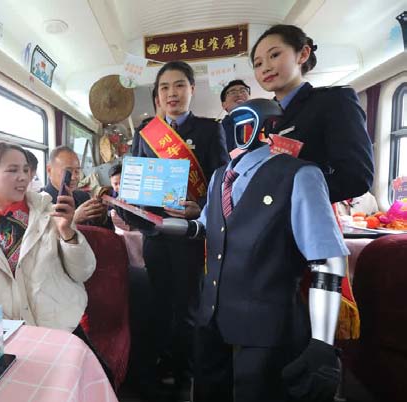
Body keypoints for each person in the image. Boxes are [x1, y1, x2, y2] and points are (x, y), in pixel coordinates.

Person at [153, 98, 348, 402]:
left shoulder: (300, 175)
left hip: (267, 324)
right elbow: (206, 227)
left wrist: (322, 343)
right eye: (231, 122)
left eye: (244, 122)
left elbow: (326, 260)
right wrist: (156, 224)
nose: (235, 129)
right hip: (212, 316)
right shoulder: (220, 176)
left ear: (269, 126)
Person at [0, 142, 111, 381]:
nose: (23, 177)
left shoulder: (49, 211)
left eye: (26, 170)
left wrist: (67, 231)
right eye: (12, 170)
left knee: (94, 382)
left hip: (63, 324)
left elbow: (83, 272)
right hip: (11, 337)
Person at [127, 60, 229, 400]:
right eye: (165, 87)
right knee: (159, 304)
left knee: (188, 307)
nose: (172, 93)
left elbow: (223, 183)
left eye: (179, 85)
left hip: (191, 236)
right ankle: (162, 366)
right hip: (156, 236)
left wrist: (201, 208)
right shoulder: (146, 133)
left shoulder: (210, 130)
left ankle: (186, 373)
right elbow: (135, 184)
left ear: (192, 90)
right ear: (157, 96)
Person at [251, 24, 374, 203]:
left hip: (309, 212)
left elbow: (357, 177)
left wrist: (286, 195)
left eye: (274, 55)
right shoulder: (268, 116)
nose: (266, 68)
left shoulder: (333, 101)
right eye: (258, 64)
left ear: (303, 54)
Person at [42, 146, 111, 228]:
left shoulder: (83, 197)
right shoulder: (39, 202)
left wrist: (101, 217)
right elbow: (40, 234)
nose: (74, 177)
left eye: (77, 171)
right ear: (49, 170)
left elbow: (97, 230)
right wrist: (74, 219)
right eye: (68, 171)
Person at [219, 79, 251, 152]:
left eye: (243, 91)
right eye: (233, 92)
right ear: (224, 105)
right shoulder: (217, 130)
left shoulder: (264, 121)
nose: (239, 95)